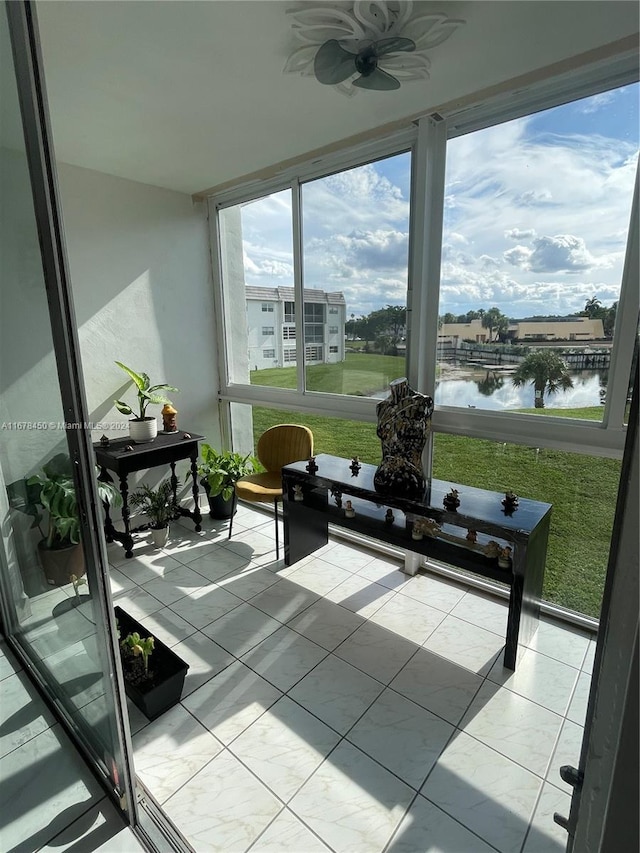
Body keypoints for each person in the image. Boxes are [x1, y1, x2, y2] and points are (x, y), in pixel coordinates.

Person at [374, 378, 433, 500]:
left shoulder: (423, 402)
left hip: (413, 480)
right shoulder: (382, 407)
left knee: (413, 518)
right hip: (382, 476)